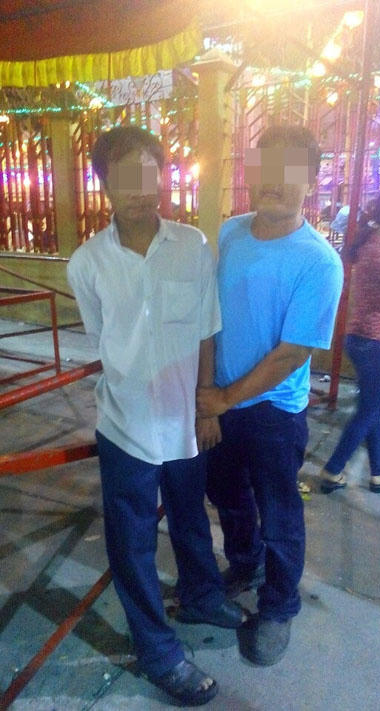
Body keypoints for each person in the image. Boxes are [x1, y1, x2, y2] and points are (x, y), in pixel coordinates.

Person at [67, 126, 244, 707]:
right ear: (104, 185)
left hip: (185, 420)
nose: (139, 190)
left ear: (163, 178)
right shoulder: (88, 263)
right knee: (133, 543)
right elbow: (103, 337)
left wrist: (206, 401)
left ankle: (202, 596)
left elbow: (207, 327)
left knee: (191, 517)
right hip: (126, 426)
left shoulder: (193, 245)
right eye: (124, 177)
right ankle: (158, 652)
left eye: (148, 174)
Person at [196, 125, 344, 667]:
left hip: (274, 412)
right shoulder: (231, 232)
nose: (273, 182)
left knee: (280, 513)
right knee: (226, 495)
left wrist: (223, 399)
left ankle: (279, 606)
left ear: (312, 180)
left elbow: (292, 354)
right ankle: (246, 562)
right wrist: (208, 396)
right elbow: (209, 319)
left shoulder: (318, 261)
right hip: (222, 402)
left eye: (288, 171)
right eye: (264, 168)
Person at [319, 183, 380, 495]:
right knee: (372, 410)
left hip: (370, 340)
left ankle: (379, 471)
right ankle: (333, 469)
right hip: (373, 342)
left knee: (371, 408)